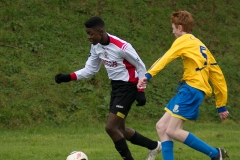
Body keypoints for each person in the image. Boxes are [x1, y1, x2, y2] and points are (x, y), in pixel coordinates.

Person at [55, 16, 161, 160]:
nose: (88, 37)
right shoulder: (96, 46)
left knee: (111, 128)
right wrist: (69, 77)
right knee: (120, 129)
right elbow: (91, 69)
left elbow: (140, 66)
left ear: (101, 31)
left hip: (129, 87)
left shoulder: (122, 46)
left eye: (91, 33)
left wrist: (141, 90)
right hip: (116, 87)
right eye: (87, 33)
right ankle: (154, 146)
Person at [137, 10, 229, 160]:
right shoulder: (201, 45)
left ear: (180, 28)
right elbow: (217, 75)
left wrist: (148, 74)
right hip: (190, 89)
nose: (172, 31)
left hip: (192, 89)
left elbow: (166, 57)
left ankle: (215, 153)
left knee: (173, 130)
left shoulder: (183, 41)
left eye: (173, 28)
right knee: (161, 126)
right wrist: (221, 104)